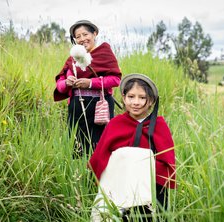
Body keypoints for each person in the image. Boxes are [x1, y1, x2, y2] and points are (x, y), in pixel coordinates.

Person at [89, 73, 176, 220]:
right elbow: (100, 157)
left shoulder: (159, 126)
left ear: (151, 101)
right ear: (123, 98)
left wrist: (141, 165)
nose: (136, 102)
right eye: (131, 97)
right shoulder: (115, 124)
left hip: (151, 188)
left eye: (142, 98)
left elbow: (167, 163)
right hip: (119, 186)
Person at [53, 20, 122, 156]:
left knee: (100, 147)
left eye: (85, 34)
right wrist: (67, 83)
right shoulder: (72, 59)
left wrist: (90, 83)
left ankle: (98, 176)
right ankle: (79, 176)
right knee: (76, 148)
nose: (82, 39)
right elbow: (60, 87)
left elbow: (115, 79)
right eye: (77, 37)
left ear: (94, 34)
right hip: (77, 109)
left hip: (100, 109)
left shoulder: (104, 53)